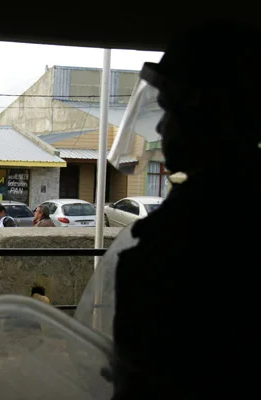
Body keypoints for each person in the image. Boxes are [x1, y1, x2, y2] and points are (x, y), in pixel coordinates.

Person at [108, 23, 261, 400]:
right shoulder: (225, 204)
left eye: (171, 109)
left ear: (210, 114)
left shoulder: (202, 227)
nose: (161, 127)